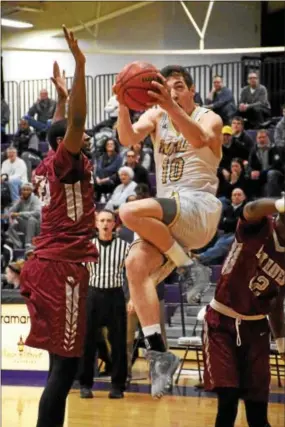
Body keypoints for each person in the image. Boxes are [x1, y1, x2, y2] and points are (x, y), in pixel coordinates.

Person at [114, 65, 223, 397]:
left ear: (191, 90)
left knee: (127, 210)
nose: (172, 92)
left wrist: (169, 104)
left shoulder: (210, 117)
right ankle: (160, 354)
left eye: (178, 86)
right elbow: (127, 136)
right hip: (169, 216)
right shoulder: (156, 115)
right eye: (167, 87)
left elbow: (199, 138)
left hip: (199, 207)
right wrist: (122, 102)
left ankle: (190, 268)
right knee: (134, 266)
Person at [20, 26, 98, 427]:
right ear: (66, 141)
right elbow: (78, 121)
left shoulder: (47, 162)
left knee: (58, 365)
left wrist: (63, 96)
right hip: (62, 268)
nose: (80, 137)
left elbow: (62, 125)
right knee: (66, 369)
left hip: (46, 265)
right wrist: (81, 66)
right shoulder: (68, 163)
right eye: (74, 135)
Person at [203, 195, 285, 427]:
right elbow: (250, 208)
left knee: (258, 411)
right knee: (228, 401)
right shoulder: (259, 226)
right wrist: (280, 201)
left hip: (257, 327)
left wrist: (281, 342)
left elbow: (277, 300)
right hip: (222, 322)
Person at [79, 210, 128, 399]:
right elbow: (81, 273)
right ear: (96, 224)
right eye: (102, 220)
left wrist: (131, 298)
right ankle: (85, 384)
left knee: (118, 342)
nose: (106, 224)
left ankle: (117, 385)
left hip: (115, 295)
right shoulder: (87, 246)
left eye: (109, 220)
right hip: (92, 294)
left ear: (115, 224)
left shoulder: (125, 246)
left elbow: (132, 274)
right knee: (87, 341)